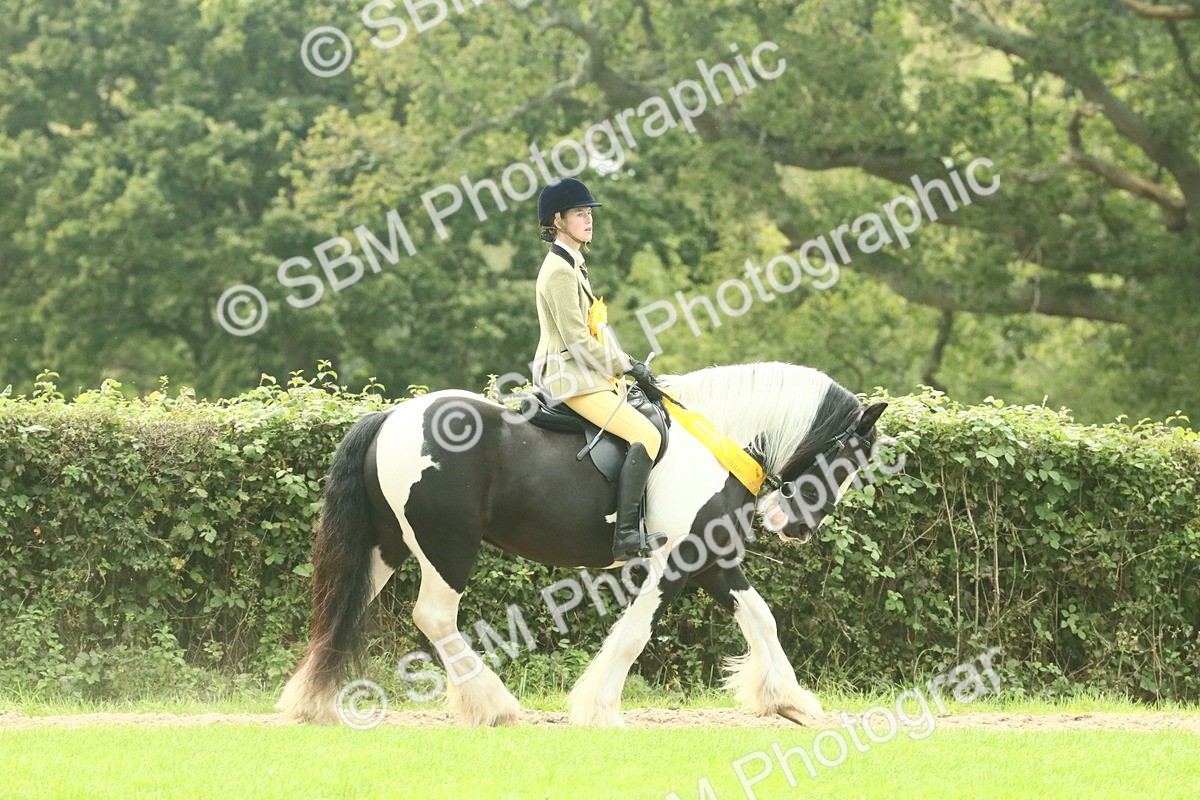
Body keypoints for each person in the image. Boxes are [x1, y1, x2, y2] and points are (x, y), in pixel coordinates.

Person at [531, 177, 666, 562]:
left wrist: (626, 367)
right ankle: (625, 536)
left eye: (589, 213)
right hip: (568, 375)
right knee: (645, 435)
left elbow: (596, 331)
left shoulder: (574, 265)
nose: (588, 220)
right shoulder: (558, 271)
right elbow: (576, 340)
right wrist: (626, 365)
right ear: (557, 220)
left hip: (586, 373)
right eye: (579, 213)